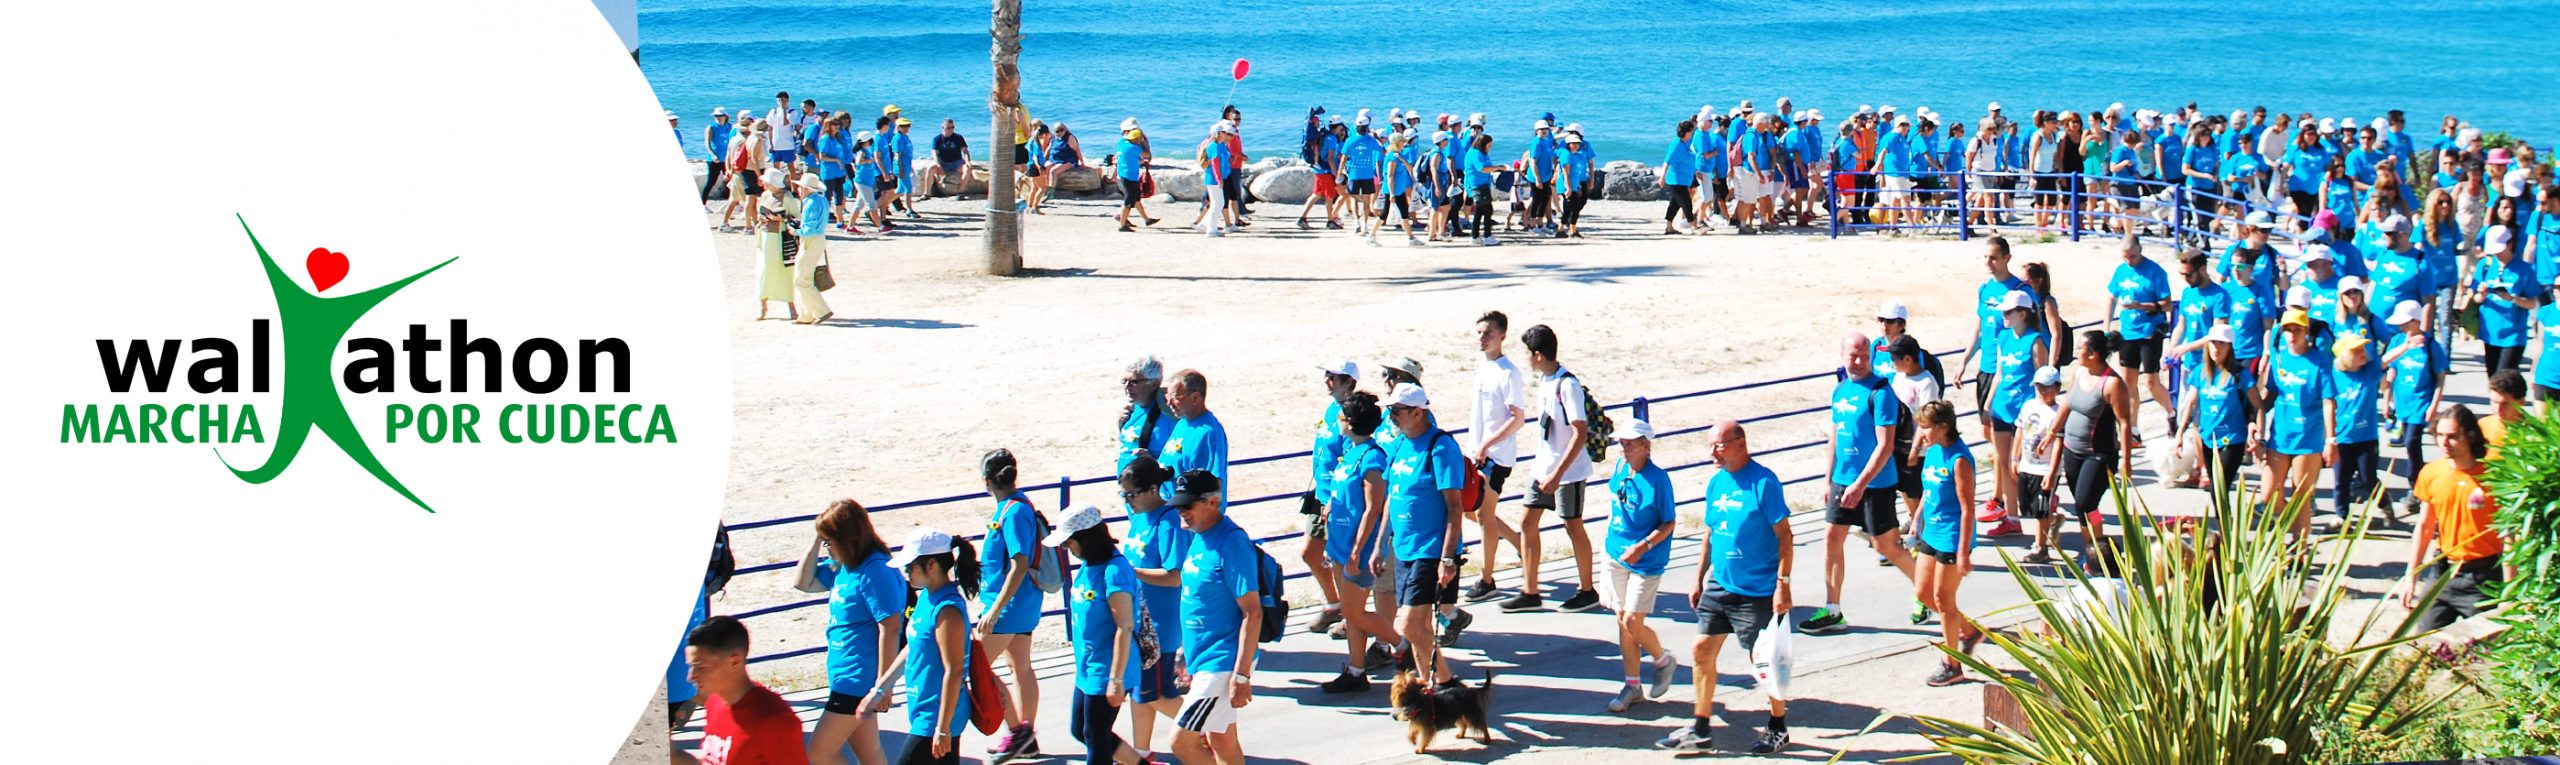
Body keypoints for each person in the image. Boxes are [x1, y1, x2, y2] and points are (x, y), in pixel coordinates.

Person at [1656, 420, 1793, 755]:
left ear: (1740, 444)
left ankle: (1778, 726)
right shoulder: (1717, 483)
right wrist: (1698, 578)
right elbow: (1710, 532)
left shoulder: (1764, 483)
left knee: (1763, 660)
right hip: (1719, 584)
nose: (1713, 453)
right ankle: (1701, 729)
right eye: (1711, 446)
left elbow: (1785, 536)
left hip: (1756, 589)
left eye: (1719, 445)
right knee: (1701, 650)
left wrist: (1783, 584)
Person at [1139, 469, 1263, 765]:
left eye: (1188, 505)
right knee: (1222, 740)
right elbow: (1195, 601)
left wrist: (1241, 675)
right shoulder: (1199, 536)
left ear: (1212, 502)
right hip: (1203, 658)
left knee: (1181, 742)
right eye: (1178, 505)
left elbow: (1253, 612)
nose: (1181, 511)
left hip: (1221, 662)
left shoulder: (1231, 543)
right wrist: (1185, 652)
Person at [1801, 333, 1917, 635]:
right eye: (1853, 355)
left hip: (1876, 484)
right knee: (1832, 538)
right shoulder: (1840, 390)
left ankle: (1929, 593)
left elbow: (1885, 445)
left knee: (1887, 546)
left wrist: (1860, 485)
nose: (1859, 361)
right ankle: (1833, 610)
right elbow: (1835, 438)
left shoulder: (1881, 392)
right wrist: (1829, 480)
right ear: (1842, 355)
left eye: (1864, 356)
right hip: (1843, 480)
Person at [792, 501, 907, 765]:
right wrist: (817, 538)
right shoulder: (843, 566)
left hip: (858, 678)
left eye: (830, 542)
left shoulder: (875, 570)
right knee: (870, 753)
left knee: (820, 751)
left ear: (847, 538)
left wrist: (883, 686)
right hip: (844, 673)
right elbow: (802, 582)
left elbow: (890, 628)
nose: (827, 548)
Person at [1043, 506, 1151, 765]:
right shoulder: (1088, 565)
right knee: (1082, 729)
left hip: (1108, 668)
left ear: (1086, 537)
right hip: (1089, 666)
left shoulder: (1114, 571)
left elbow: (1124, 627)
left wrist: (1116, 679)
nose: (1066, 548)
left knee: (1095, 736)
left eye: (1068, 541)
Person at [1379, 383, 1473, 678]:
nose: (1391, 416)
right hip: (1403, 549)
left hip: (1430, 550)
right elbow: (1391, 498)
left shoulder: (1441, 447)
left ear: (1418, 412)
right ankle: (1432, 685)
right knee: (1418, 626)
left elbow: (1455, 507)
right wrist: (1380, 546)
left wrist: (1448, 558)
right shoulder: (1399, 445)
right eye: (1390, 410)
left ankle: (1443, 682)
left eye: (1396, 410)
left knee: (1407, 625)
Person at [867, 529, 981, 765]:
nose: (906, 573)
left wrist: (943, 728)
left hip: (936, 717)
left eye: (910, 567)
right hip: (926, 711)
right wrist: (879, 689)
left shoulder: (947, 610)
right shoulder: (927, 598)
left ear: (931, 565)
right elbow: (913, 646)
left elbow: (954, 671)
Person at [2399, 406, 2512, 631]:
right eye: (2440, 435)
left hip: (2482, 577)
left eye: (2452, 436)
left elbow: (2508, 534)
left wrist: (2509, 592)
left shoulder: (2493, 477)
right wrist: (2411, 576)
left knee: (2482, 646)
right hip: (2442, 572)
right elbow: (2424, 526)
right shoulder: (2431, 472)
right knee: (2424, 642)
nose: (2444, 442)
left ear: (2470, 436)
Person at [1513, 324, 1600, 613]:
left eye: (1528, 352)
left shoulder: (1567, 385)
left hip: (1568, 471)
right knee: (1527, 523)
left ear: (1538, 355)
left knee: (1572, 525)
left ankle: (1587, 590)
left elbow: (1580, 432)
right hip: (1544, 467)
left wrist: (1558, 474)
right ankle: (1530, 590)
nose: (1527, 358)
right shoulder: (1546, 380)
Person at [1317, 392, 1400, 693]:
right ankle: (1355, 670)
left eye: (1341, 417)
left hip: (1357, 549)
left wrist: (1357, 550)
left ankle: (1403, 646)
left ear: (1350, 422)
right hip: (1340, 545)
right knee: (1352, 612)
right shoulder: (1351, 453)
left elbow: (1373, 507)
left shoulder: (1372, 457)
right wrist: (1331, 506)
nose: (1338, 422)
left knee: (1354, 612)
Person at [1599, 419, 1680, 713]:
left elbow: (1669, 522)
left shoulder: (1659, 479)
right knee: (1623, 620)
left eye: (1631, 444)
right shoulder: (1621, 468)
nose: (1625, 449)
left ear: (1646, 446)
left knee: (1633, 621)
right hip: (1615, 552)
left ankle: (1663, 659)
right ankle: (1632, 685)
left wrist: (1642, 546)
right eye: (1622, 444)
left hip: (1646, 560)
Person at [973, 450, 1046, 762]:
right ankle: (1026, 738)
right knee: (1020, 667)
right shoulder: (1017, 505)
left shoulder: (1013, 511)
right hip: (1021, 604)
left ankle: (1018, 733)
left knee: (976, 666)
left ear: (987, 481)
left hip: (1008, 607)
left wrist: (994, 610)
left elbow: (1019, 563)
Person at [1114, 454, 1185, 760]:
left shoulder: (1169, 521)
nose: (1128, 501)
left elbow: (1175, 575)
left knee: (1152, 694)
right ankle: (1141, 753)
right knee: (1141, 694)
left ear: (1153, 489)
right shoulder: (1140, 517)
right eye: (1124, 495)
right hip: (1139, 623)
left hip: (1159, 628)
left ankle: (1209, 731)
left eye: (1131, 494)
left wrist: (1133, 573)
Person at [1910, 400, 1987, 687]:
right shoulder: (1933, 451)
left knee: (1943, 600)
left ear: (1943, 427)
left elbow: (1968, 509)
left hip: (1952, 537)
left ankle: (1952, 665)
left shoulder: (1959, 460)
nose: (1922, 433)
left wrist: (1963, 552)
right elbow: (1929, 489)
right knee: (1924, 593)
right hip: (1932, 532)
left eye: (1926, 427)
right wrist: (1917, 517)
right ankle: (1970, 630)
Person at [2046, 330, 2134, 566]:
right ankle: (2091, 553)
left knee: (2085, 503)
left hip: (2098, 455)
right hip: (2072, 449)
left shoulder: (2112, 383)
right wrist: (2052, 433)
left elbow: (2125, 423)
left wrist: (2126, 461)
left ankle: (2100, 554)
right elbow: (2067, 403)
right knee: (2084, 508)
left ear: (2093, 354)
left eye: (2080, 348)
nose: (2076, 352)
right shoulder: (2080, 371)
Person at [675, 616, 810, 765]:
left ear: (735, 662)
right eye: (691, 666)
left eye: (700, 667)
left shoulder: (775, 721)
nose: (691, 677)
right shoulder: (715, 701)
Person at [1464, 311, 1529, 604]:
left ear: (1502, 336)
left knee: (1483, 515)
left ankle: (1487, 578)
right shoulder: (1484, 367)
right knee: (1472, 510)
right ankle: (1518, 541)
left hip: (1496, 456)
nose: (1482, 338)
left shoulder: (1508, 372)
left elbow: (1517, 417)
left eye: (1488, 333)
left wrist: (1488, 444)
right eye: (1480, 333)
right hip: (1478, 453)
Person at [1958, 238, 2036, 446]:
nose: (1988, 262)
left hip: (2011, 370)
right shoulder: (1984, 288)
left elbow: (2033, 329)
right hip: (1987, 367)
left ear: (2006, 258)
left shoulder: (2020, 290)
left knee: (2013, 430)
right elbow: (1979, 329)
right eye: (1985, 257)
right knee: (1986, 426)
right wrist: (1964, 361)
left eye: (1993, 258)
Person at [2262, 310, 2333, 534]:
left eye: (2297, 330)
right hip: (2280, 435)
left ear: (2306, 332)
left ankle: (2299, 546)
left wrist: (2331, 440)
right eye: (2288, 330)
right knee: (2268, 495)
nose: (2292, 335)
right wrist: (2254, 420)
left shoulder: (2319, 362)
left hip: (2308, 437)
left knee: (2300, 495)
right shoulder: (2279, 358)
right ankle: (2294, 528)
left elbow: (2328, 402)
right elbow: (2269, 393)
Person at [2178, 326, 2261, 511]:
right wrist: (2179, 433)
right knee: (2215, 488)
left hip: (2233, 438)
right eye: (2213, 343)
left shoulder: (2239, 374)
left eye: (2221, 344)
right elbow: (2190, 403)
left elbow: (2258, 404)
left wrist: (2256, 431)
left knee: (2219, 484)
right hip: (2209, 438)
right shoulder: (2200, 372)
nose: (2216, 348)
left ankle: (2226, 525)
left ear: (2229, 346)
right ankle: (2225, 522)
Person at [2381, 300, 2448, 518]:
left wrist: (2434, 405)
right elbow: (2391, 371)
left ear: (2415, 321)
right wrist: (2386, 400)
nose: (2401, 326)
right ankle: (2419, 483)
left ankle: (2415, 487)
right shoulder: (2397, 341)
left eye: (2405, 322)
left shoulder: (2431, 345)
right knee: (2407, 443)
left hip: (2421, 402)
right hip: (2402, 403)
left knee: (2412, 442)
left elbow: (2440, 377)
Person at [2106, 237, 2177, 429]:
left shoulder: (2155, 271)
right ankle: (2133, 428)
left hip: (2150, 331)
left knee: (2151, 382)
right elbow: (2111, 299)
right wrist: (2106, 327)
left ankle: (2171, 412)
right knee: (2129, 381)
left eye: (2132, 256)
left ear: (2140, 250)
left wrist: (2143, 306)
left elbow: (2167, 305)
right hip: (2127, 332)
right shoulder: (2121, 270)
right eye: (2125, 257)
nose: (2129, 261)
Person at [2327, 334, 2386, 526]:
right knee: (2341, 479)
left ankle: (2385, 503)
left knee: (2368, 478)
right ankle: (2341, 516)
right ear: (2345, 356)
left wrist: (2407, 345)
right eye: (2357, 350)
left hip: (2366, 437)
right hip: (2342, 437)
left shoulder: (2369, 371)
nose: (2363, 353)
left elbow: (2386, 359)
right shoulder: (2332, 375)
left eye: (2363, 349)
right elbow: (2326, 404)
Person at [2464, 226, 2535, 374]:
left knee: (2504, 379)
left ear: (2510, 244)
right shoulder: (2485, 265)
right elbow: (2476, 298)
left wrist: (2512, 298)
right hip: (2490, 333)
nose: (2497, 254)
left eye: (2500, 250)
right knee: (2493, 380)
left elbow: (2532, 303)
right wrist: (2481, 295)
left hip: (2514, 335)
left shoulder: (2525, 269)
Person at [2014, 366, 2066, 563]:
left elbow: (2058, 443)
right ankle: (2053, 520)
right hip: (2027, 464)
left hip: (2044, 468)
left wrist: (2051, 473)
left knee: (2040, 508)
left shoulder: (2058, 413)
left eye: (2046, 387)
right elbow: (2020, 431)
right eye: (2038, 387)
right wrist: (2014, 458)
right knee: (2028, 507)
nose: (2042, 391)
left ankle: (2040, 548)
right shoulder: (2029, 406)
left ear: (2057, 388)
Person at [1161, 370, 1229, 488]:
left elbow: (1211, 485)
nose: (1169, 403)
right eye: (1167, 397)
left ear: (1196, 398)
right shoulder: (1182, 423)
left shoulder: (1208, 434)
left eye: (1175, 397)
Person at [789, 173, 834, 325]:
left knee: (801, 278)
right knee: (803, 276)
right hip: (817, 239)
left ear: (806, 189)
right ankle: (805, 314)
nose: (798, 190)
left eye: (800, 187)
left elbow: (808, 229)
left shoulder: (811, 203)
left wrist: (795, 231)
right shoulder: (821, 200)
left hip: (811, 240)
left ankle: (821, 311)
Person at [1118, 356, 1175, 472]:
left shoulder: (1170, 415)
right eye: (1124, 381)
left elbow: (1181, 459)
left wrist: (1154, 463)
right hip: (1126, 481)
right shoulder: (1130, 411)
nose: (1127, 386)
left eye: (1134, 382)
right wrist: (1120, 426)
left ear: (1153, 384)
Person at [753, 167, 794, 321]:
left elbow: (796, 217)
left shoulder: (787, 197)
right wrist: (761, 217)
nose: (763, 184)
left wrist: (782, 219)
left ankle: (791, 306)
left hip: (779, 237)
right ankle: (763, 305)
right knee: (764, 269)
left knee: (784, 270)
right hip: (765, 235)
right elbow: (759, 212)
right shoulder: (765, 195)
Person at [1661, 119, 1701, 235]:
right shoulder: (1676, 145)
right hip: (1675, 180)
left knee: (1674, 204)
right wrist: (1662, 176)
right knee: (1686, 202)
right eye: (1691, 131)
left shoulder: (1686, 142)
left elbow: (1688, 159)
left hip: (1684, 179)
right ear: (1687, 132)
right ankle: (1693, 227)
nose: (1692, 133)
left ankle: (1669, 227)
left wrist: (1695, 172)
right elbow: (1667, 161)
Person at [923, 119, 971, 201]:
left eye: (953, 127)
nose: (951, 129)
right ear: (943, 127)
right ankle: (927, 193)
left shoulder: (958, 137)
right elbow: (934, 153)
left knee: (967, 168)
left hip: (956, 162)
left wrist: (967, 161)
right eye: (948, 128)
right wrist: (938, 164)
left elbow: (965, 151)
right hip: (943, 162)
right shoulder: (937, 139)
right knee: (931, 169)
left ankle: (960, 192)